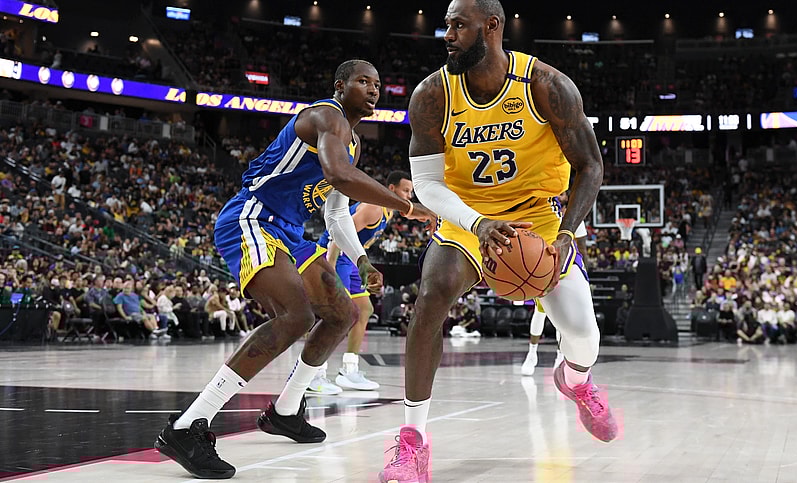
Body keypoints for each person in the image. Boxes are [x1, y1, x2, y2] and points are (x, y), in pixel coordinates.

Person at [154, 59, 433, 480]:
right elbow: (340, 174)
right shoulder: (325, 116)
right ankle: (186, 426)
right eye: (363, 81)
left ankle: (284, 410)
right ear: (340, 86)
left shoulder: (353, 142)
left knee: (344, 313)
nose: (374, 90)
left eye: (378, 84)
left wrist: (361, 260)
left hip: (288, 231)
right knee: (296, 316)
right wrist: (408, 206)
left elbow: (337, 214)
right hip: (252, 216)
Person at [378, 2, 617, 481]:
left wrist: (568, 233)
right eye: (446, 25)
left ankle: (577, 381)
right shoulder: (431, 94)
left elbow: (590, 165)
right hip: (468, 217)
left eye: (458, 25)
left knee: (584, 335)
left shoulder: (547, 86)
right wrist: (478, 224)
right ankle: (413, 443)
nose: (446, 34)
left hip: (539, 218)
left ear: (492, 27)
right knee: (432, 293)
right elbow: (425, 183)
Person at [314, 170, 418, 393]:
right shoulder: (373, 208)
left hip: (350, 260)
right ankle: (315, 373)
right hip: (335, 253)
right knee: (337, 315)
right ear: (391, 189)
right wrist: (330, 265)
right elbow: (338, 231)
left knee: (364, 309)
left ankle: (349, 371)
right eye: (406, 191)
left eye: (411, 191)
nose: (409, 196)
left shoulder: (390, 212)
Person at [521, 222, 587, 376]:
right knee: (540, 311)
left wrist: (584, 278)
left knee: (562, 317)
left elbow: (582, 249)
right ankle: (532, 353)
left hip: (567, 266)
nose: (562, 196)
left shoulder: (576, 217)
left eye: (564, 195)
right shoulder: (544, 207)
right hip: (541, 264)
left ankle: (560, 356)